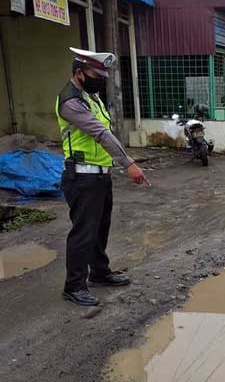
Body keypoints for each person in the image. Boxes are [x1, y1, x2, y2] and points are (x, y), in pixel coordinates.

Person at [56, 47, 150, 306]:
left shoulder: (92, 97)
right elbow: (100, 133)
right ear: (79, 73)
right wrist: (128, 163)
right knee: (83, 233)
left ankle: (99, 272)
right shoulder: (71, 101)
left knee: (100, 229)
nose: (100, 80)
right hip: (82, 178)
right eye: (95, 74)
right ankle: (74, 286)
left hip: (100, 176)